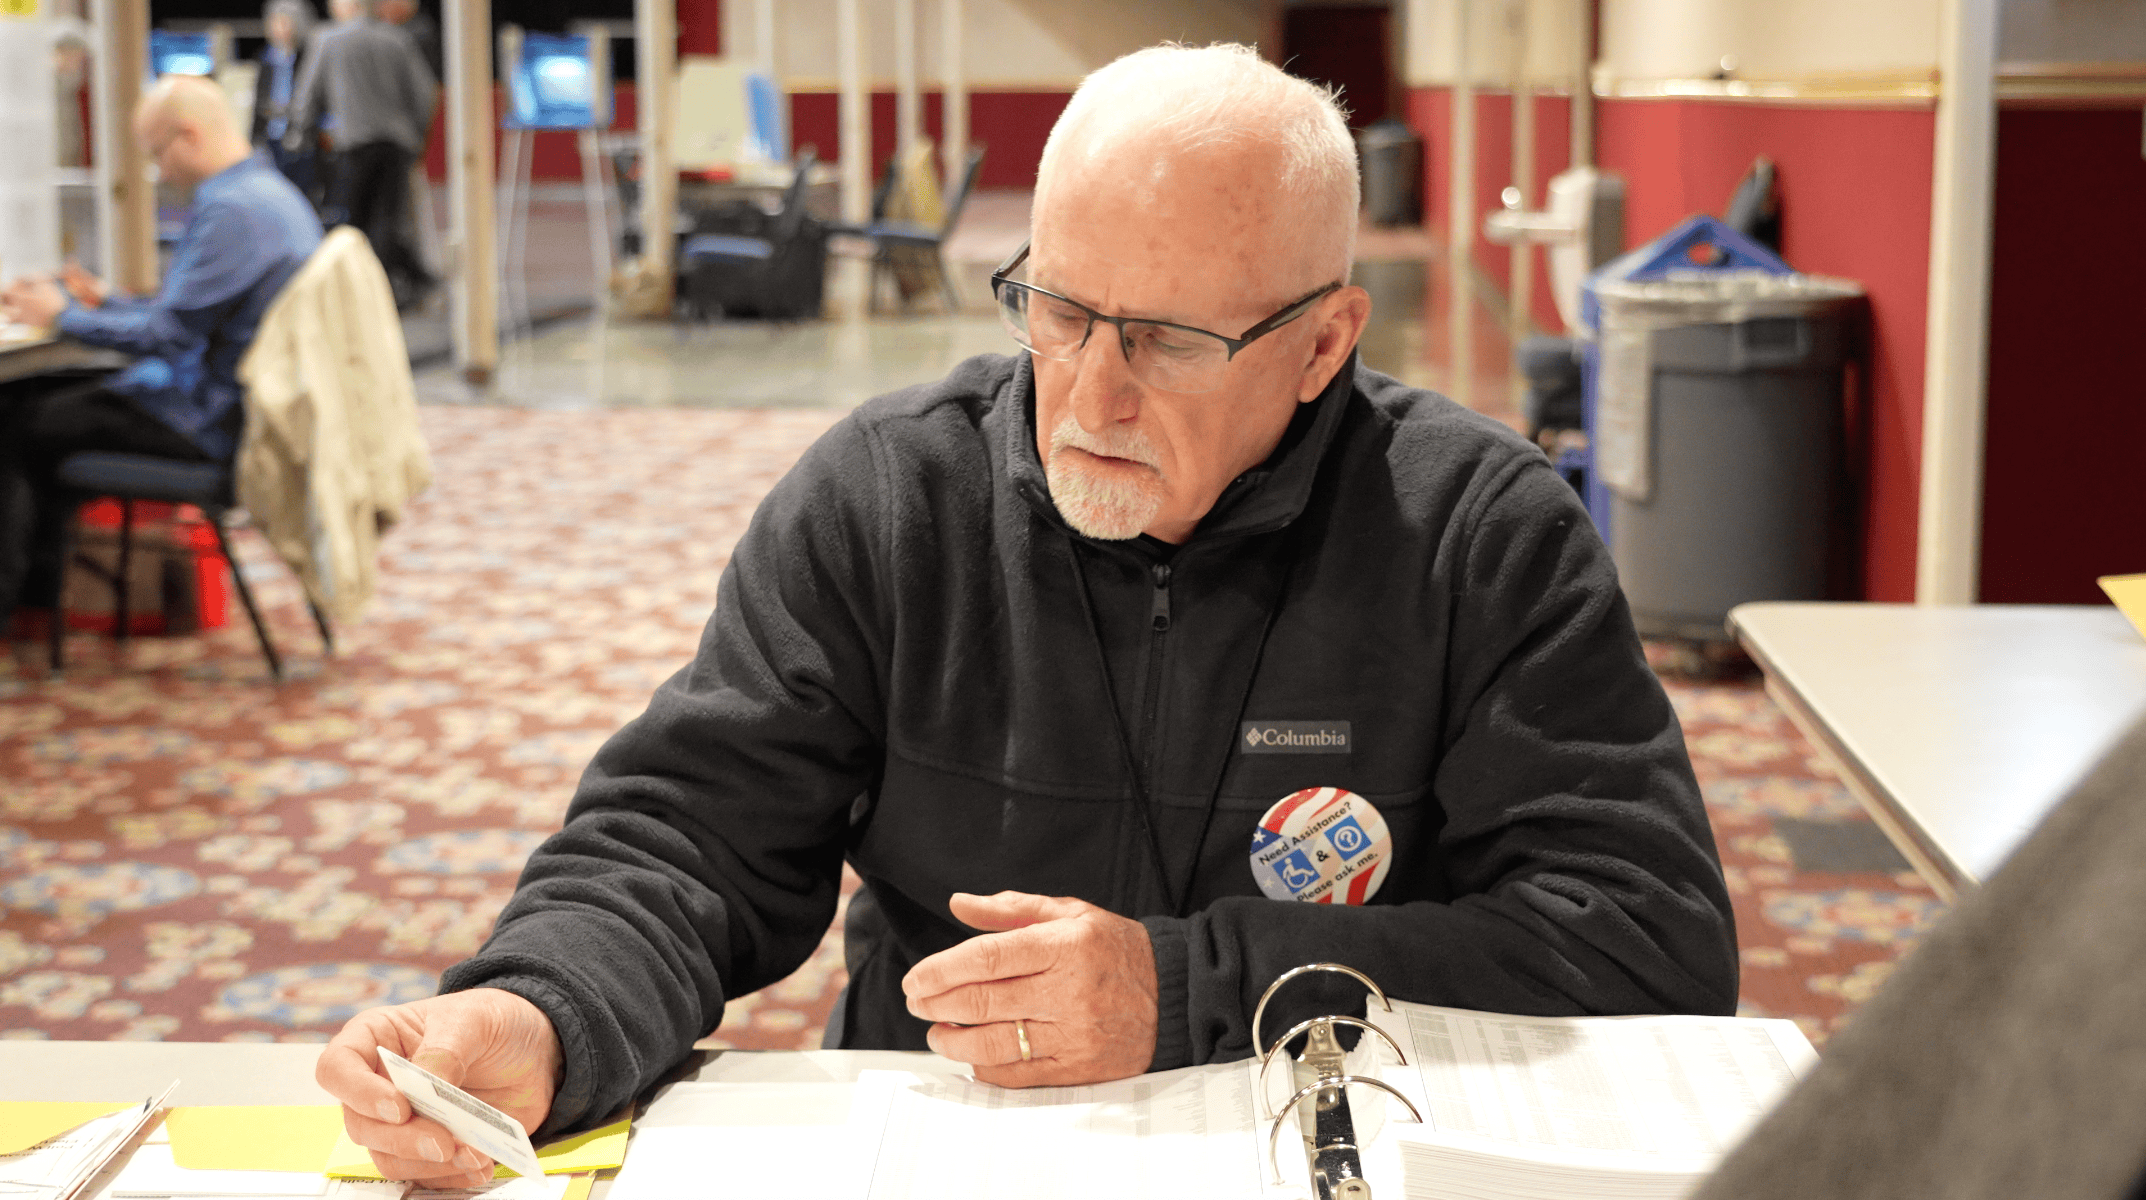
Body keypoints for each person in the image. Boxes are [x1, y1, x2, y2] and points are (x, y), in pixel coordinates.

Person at [316, 44, 1739, 1189]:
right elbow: (687, 837)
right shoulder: (890, 497)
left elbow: (1642, 939)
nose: (1090, 397)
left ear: (1323, 343)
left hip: (1326, 1144)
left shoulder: (1474, 533)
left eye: (1169, 341)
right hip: (940, 1137)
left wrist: (1189, 988)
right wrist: (541, 1008)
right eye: (1057, 312)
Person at [0, 75, 321, 635]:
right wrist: (104, 302)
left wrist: (60, 316)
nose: (159, 172)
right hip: (233, 410)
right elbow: (186, 316)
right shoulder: (270, 196)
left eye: (156, 153)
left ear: (188, 136)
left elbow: (168, 338)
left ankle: (20, 600)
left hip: (207, 423)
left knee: (16, 420)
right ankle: (41, 596)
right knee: (40, 400)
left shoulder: (231, 212)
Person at [286, 0, 435, 309]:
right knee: (388, 220)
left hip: (352, 144)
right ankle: (387, 291)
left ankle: (356, 295)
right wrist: (416, 137)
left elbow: (307, 94)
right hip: (396, 145)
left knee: (350, 224)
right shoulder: (397, 39)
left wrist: (300, 133)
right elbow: (425, 94)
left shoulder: (327, 39)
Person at [251, 0, 319, 198]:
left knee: (300, 193)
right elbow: (258, 99)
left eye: (284, 22)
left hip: (301, 139)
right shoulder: (265, 57)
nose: (278, 28)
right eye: (274, 22)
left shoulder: (310, 58)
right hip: (270, 136)